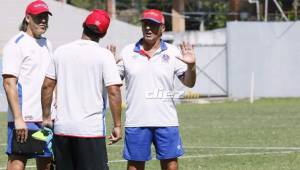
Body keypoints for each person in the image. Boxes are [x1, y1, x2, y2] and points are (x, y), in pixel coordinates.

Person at [114, 9, 196, 170]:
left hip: (167, 121)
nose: (148, 28)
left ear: (163, 28)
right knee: (134, 167)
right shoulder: (127, 52)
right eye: (145, 24)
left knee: (171, 166)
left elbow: (189, 83)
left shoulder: (173, 52)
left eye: (153, 24)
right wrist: (108, 67)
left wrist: (191, 67)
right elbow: (113, 83)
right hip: (136, 121)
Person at [41, 9, 123, 170]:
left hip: (62, 129)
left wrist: (46, 117)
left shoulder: (61, 51)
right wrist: (118, 125)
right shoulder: (105, 55)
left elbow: (46, 86)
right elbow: (114, 91)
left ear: (83, 25)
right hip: (90, 131)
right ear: (103, 34)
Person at [2, 1, 53, 170]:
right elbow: (9, 83)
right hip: (24, 119)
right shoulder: (16, 44)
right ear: (28, 18)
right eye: (39, 17)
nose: (43, 21)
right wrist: (18, 119)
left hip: (45, 120)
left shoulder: (47, 44)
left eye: (45, 17)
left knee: (46, 163)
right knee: (17, 163)